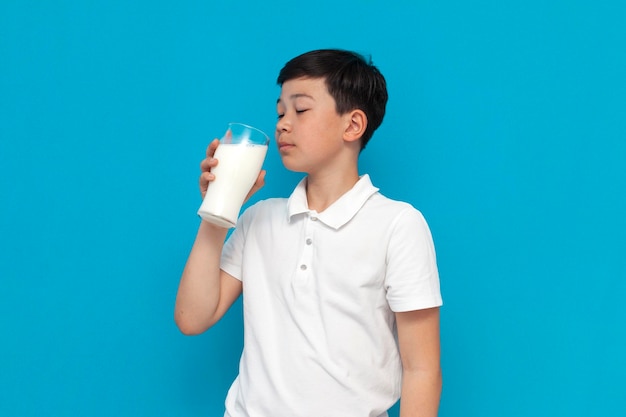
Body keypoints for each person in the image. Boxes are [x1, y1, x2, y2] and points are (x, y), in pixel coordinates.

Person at [175, 49, 443, 417]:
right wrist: (218, 210)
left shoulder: (398, 224)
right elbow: (193, 318)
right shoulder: (259, 220)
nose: (283, 124)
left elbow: (422, 369)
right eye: (280, 112)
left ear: (352, 125)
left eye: (300, 110)